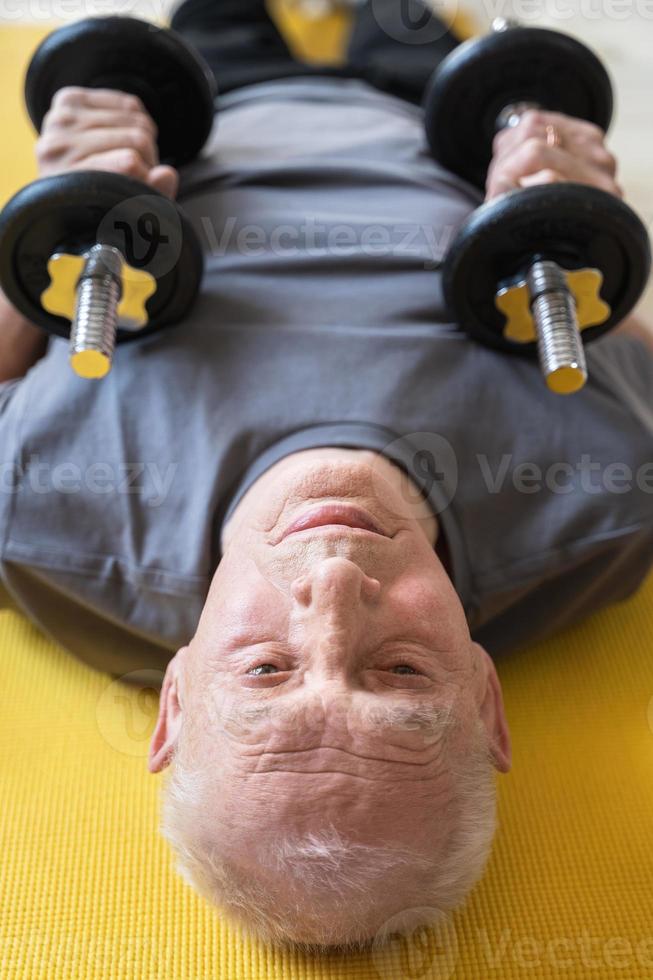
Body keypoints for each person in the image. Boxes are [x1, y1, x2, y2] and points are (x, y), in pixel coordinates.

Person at [0, 0, 651, 950]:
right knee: (407, 17)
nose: (336, 582)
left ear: (174, 700)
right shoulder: (604, 510)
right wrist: (581, 191)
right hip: (437, 118)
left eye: (267, 668)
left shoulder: (43, 519)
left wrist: (66, 183)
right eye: (399, 670)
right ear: (485, 701)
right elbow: (615, 318)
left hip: (207, 110)